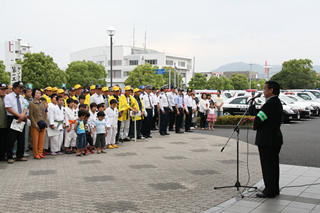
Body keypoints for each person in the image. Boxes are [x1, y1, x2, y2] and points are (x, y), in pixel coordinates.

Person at [253, 81, 283, 198]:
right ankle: (274, 188)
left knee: (268, 166)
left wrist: (255, 125)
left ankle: (269, 190)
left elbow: (260, 119)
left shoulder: (270, 104)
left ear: (271, 90)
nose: (263, 92)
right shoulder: (276, 102)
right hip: (275, 138)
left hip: (267, 140)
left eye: (265, 89)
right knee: (273, 165)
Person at [4, 81, 28, 163]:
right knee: (11, 138)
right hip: (13, 118)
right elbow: (9, 108)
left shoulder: (21, 97)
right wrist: (19, 116)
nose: (21, 90)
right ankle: (10, 156)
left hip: (22, 117)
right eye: (19, 88)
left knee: (21, 138)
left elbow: (25, 106)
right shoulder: (8, 97)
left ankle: (19, 155)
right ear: (14, 88)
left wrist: (23, 115)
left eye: (22, 88)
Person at [29, 88, 47, 159]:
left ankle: (40, 152)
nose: (38, 95)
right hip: (36, 123)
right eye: (37, 93)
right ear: (34, 94)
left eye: (39, 93)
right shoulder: (31, 103)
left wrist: (45, 121)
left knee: (41, 139)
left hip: (43, 123)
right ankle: (36, 153)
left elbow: (45, 112)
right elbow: (31, 115)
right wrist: (34, 124)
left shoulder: (42, 103)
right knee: (35, 140)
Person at [0, 83, 8, 161]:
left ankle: (2, 155)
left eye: (4, 89)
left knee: (3, 141)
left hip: (5, 124)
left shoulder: (7, 99)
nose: (3, 91)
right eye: (1, 89)